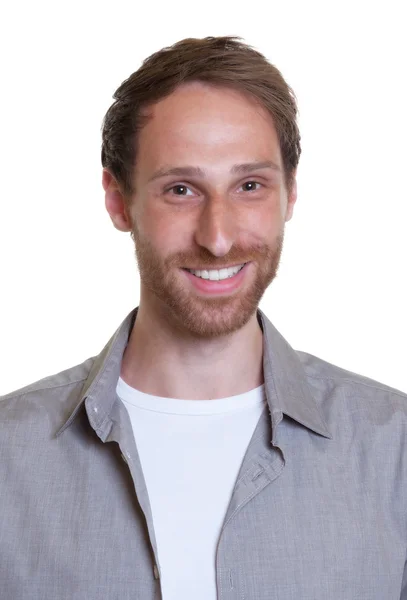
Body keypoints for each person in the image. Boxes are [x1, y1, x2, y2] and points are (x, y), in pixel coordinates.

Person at [1, 35, 406, 600]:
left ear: (290, 193)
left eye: (249, 186)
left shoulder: (395, 452)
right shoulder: (8, 459)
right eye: (182, 189)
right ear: (118, 200)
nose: (218, 238)